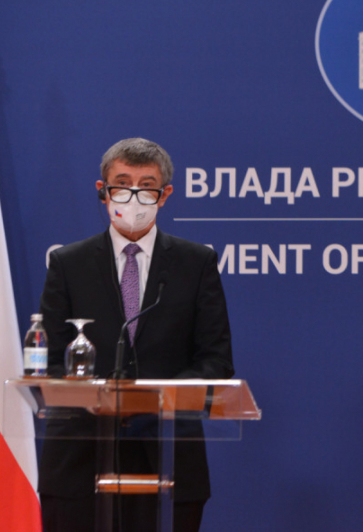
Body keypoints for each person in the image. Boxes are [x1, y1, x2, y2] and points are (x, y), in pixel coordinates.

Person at [38, 138, 234, 532]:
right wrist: (97, 397)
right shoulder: (68, 263)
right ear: (103, 191)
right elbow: (52, 360)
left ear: (165, 195)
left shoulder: (196, 263)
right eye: (123, 184)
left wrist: (153, 401)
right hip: (79, 462)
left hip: (167, 457)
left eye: (147, 186)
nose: (134, 196)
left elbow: (216, 361)